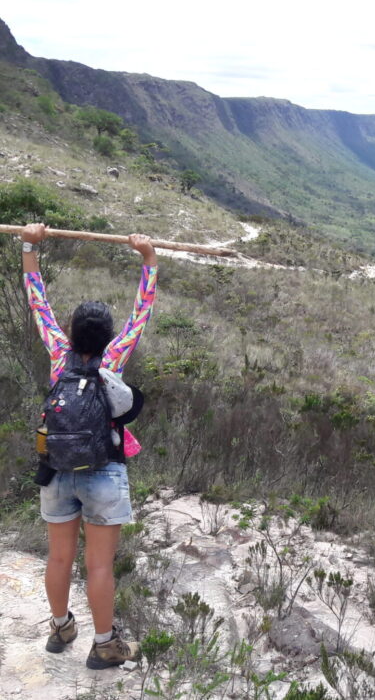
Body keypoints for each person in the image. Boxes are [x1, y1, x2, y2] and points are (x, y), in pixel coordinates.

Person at [20, 222, 157, 669]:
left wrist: (29, 245)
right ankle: (103, 645)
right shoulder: (113, 358)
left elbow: (37, 300)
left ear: (72, 330)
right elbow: (143, 313)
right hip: (104, 471)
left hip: (57, 468)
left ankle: (60, 628)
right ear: (106, 336)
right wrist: (148, 260)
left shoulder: (59, 354)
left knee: (59, 556)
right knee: (98, 565)